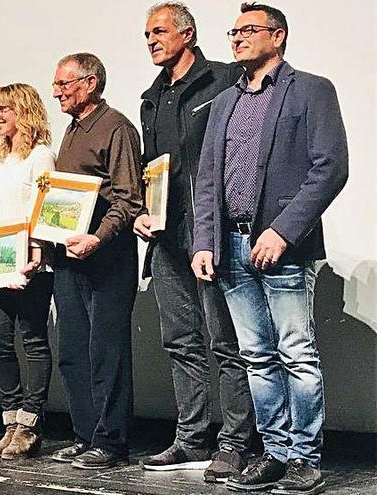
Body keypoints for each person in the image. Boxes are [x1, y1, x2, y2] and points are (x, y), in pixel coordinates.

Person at [191, 4, 348, 494]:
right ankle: (276, 454)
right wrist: (204, 241)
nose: (236, 38)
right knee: (257, 356)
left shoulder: (311, 89)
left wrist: (283, 230)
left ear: (277, 37)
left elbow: (330, 167)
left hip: (283, 247)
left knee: (296, 352)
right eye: (234, 31)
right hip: (231, 248)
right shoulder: (224, 102)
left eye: (248, 30)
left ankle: (305, 457)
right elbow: (208, 181)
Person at [134, 2, 256, 481]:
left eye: (159, 31)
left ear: (187, 34)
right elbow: (154, 166)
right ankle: (191, 438)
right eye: (146, 34)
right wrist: (145, 211)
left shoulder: (223, 79)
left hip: (213, 234)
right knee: (180, 341)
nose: (150, 40)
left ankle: (236, 441)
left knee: (226, 341)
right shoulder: (152, 97)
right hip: (166, 236)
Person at [47, 54, 142, 469]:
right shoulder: (71, 130)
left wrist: (97, 239)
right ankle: (85, 435)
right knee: (72, 352)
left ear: (90, 83)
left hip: (107, 256)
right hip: (69, 257)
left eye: (64, 84)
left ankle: (111, 441)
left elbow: (128, 197)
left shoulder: (115, 126)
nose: (56, 92)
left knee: (107, 352)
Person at [0, 83, 55, 459]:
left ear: (24, 111)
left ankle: (30, 422)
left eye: (4, 108)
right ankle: (10, 421)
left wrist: (38, 249)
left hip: (31, 261)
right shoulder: (1, 157)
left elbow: (45, 206)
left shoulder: (41, 156)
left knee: (33, 340)